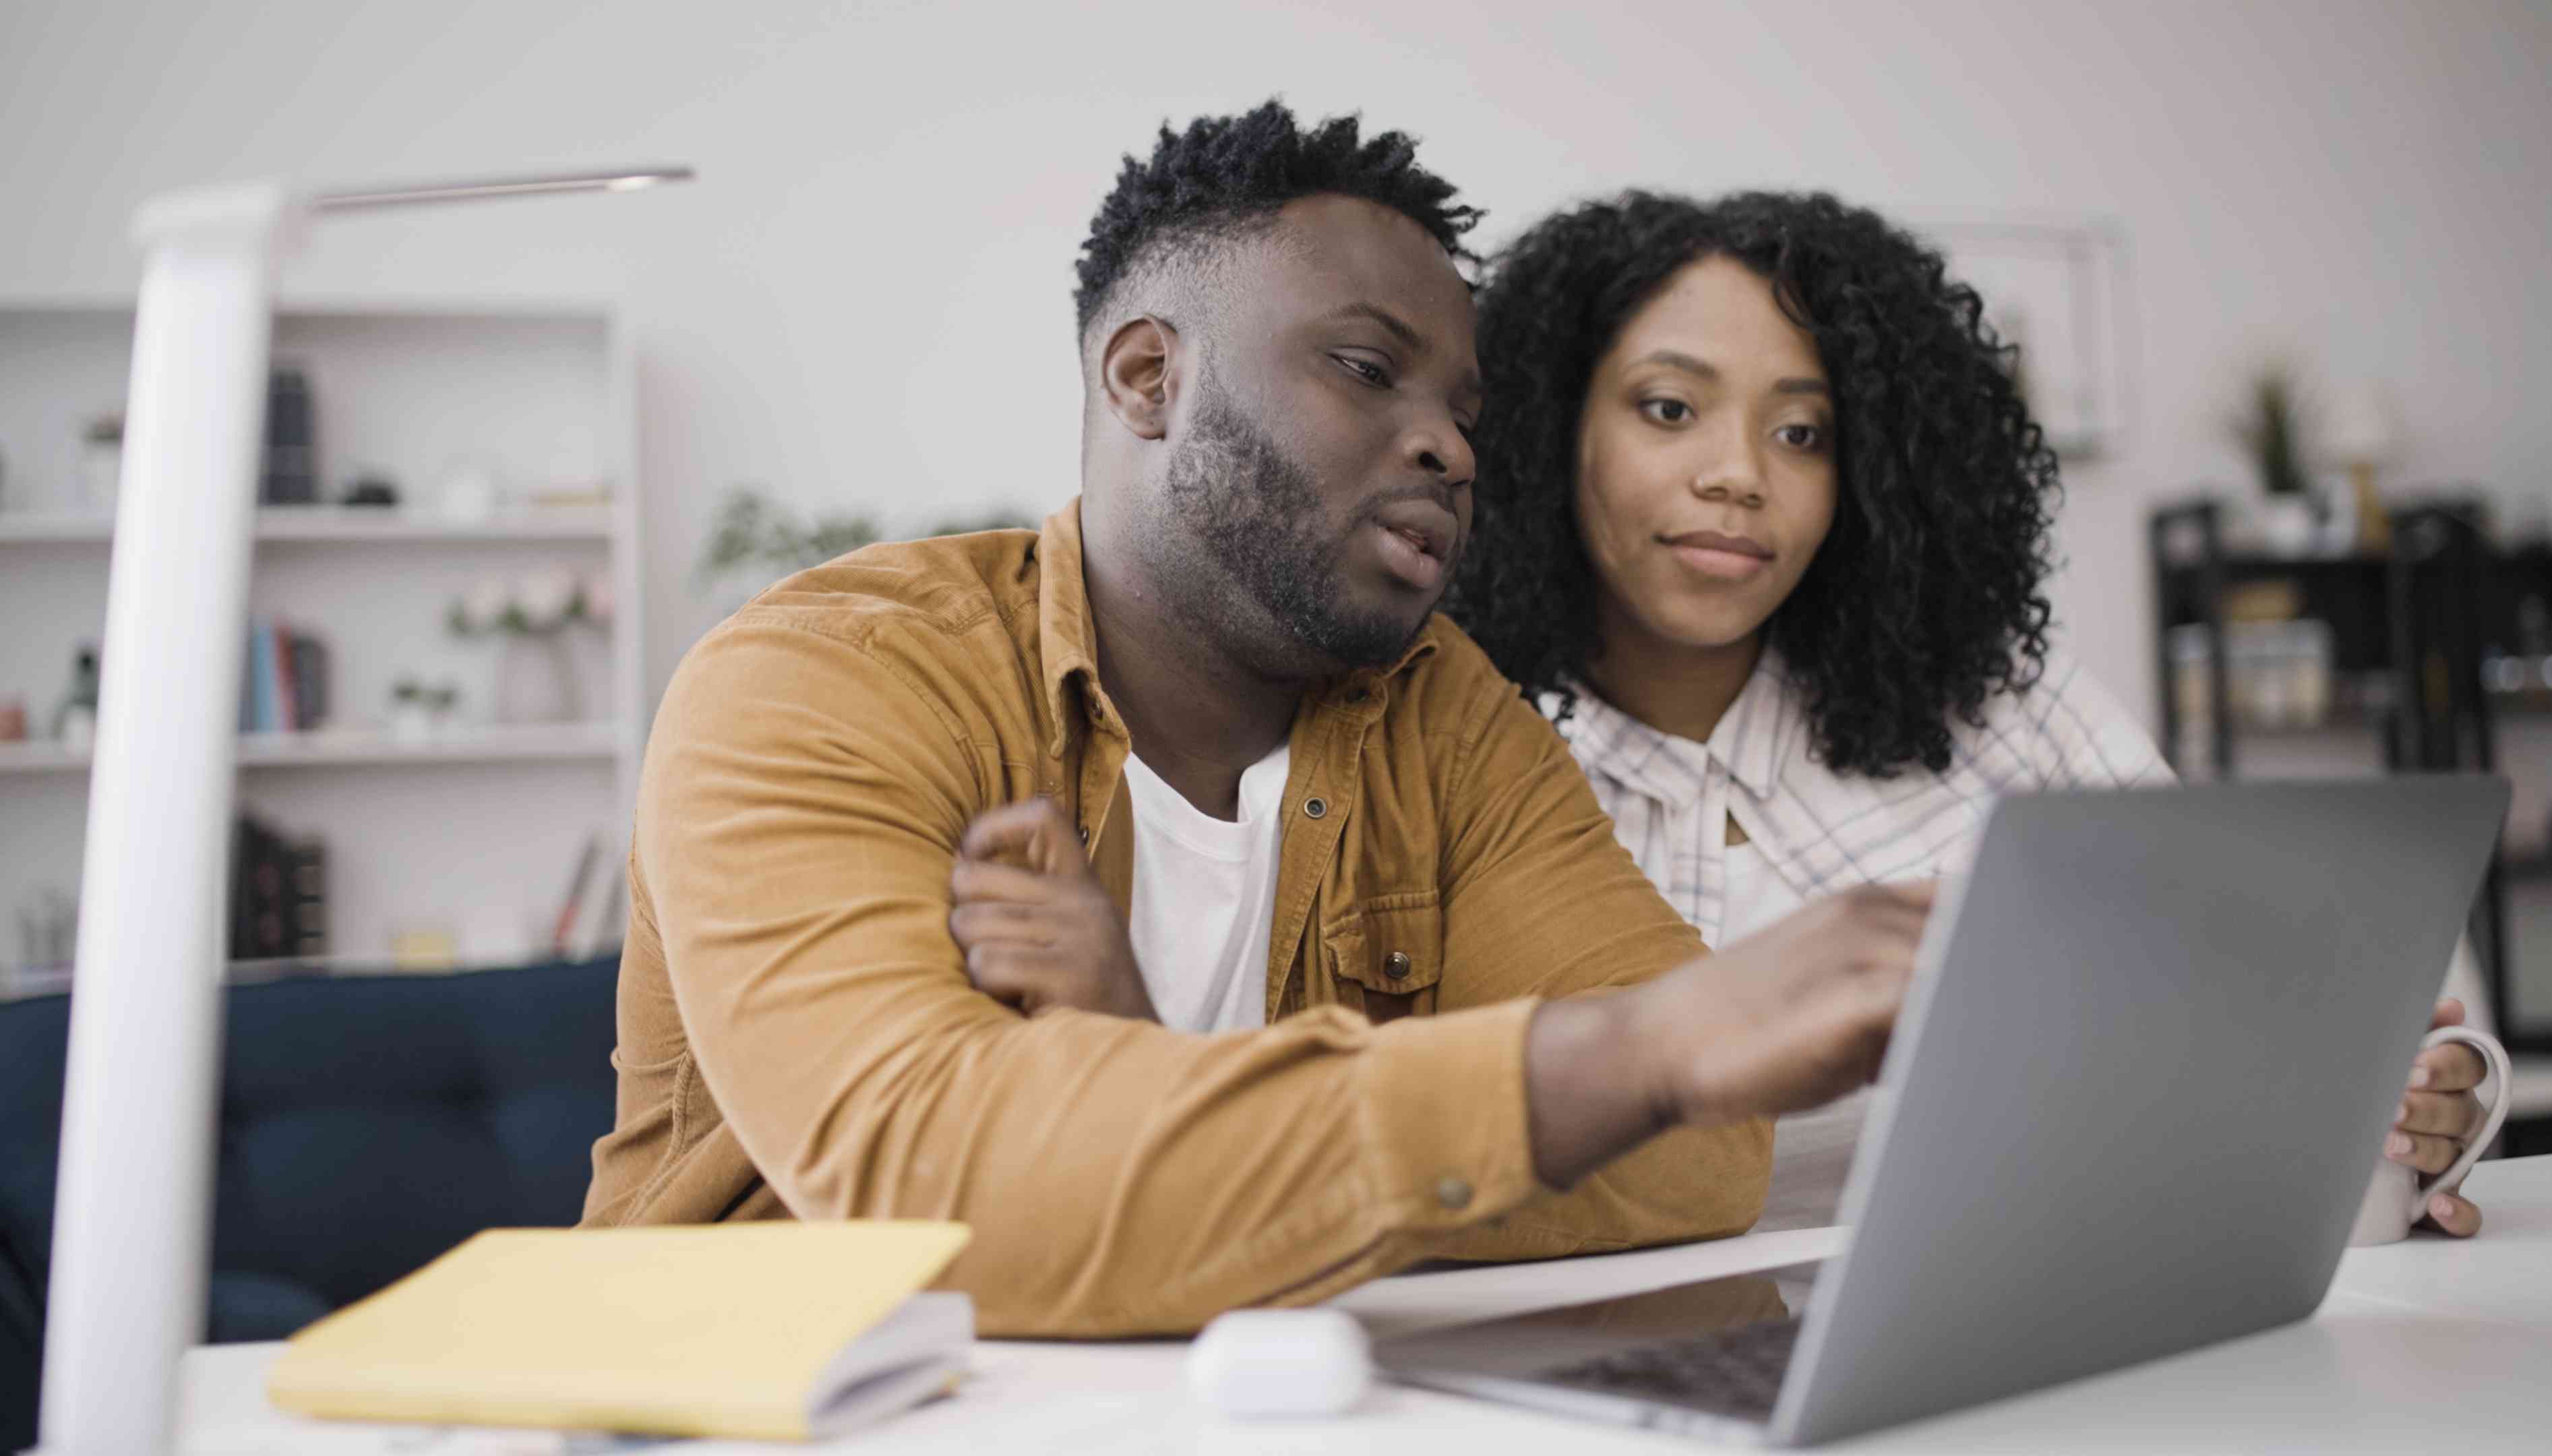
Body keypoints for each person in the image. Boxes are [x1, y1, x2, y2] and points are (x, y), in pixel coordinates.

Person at [582, 104, 1935, 1335]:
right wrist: (1634, 1056)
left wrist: (1159, 1080)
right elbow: (932, 1202)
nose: (1451, 447)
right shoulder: (824, 683)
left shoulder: (1445, 718)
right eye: (1366, 369)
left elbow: (1697, 1155)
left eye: (1462, 411)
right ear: (1145, 378)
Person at [1444, 189, 2495, 1236]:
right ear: (1551, 426)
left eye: (1804, 432)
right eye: (1669, 409)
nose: (1739, 476)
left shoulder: (2003, 712)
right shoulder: (1451, 756)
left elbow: (2254, 1001)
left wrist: (2420, 1101)